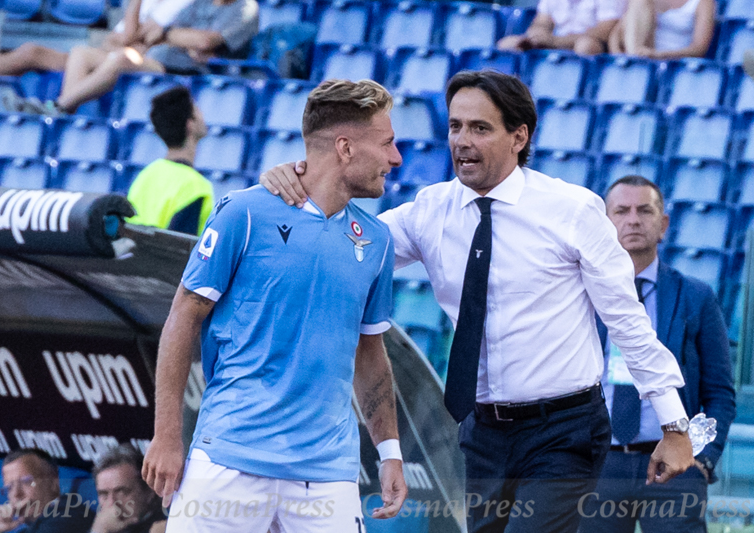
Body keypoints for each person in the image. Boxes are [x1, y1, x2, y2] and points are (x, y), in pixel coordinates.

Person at [260, 69, 694, 533]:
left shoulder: (572, 210)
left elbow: (627, 321)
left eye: (480, 128)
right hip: (481, 432)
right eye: (455, 126)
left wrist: (674, 424)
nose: (461, 141)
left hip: (565, 430)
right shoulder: (430, 210)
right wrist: (296, 186)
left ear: (518, 136)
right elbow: (348, 246)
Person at [141, 79, 407, 531]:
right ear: (344, 147)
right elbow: (182, 317)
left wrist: (390, 452)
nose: (395, 158)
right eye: (387, 143)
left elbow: (370, 351)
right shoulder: (243, 215)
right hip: (228, 459)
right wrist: (166, 436)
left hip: (327, 476)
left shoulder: (377, 241)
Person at [579, 176, 736, 532]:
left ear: (663, 225)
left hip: (675, 465)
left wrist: (703, 459)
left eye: (644, 211)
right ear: (605, 223)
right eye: (621, 211)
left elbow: (720, 393)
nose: (633, 219)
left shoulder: (696, 297)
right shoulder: (581, 295)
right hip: (598, 466)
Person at [10, 0, 258, 115]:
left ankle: (59, 107)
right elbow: (150, 34)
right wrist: (177, 37)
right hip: (159, 59)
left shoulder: (246, 8)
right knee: (81, 53)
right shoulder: (197, 4)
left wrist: (169, 34)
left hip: (188, 71)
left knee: (119, 58)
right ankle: (64, 109)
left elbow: (205, 42)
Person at [0, 0, 193, 81]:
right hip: (106, 56)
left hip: (138, 63)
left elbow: (133, 39)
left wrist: (130, 36)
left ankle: (60, 108)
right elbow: (116, 39)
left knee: (81, 53)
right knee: (30, 51)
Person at [126, 86, 213, 235]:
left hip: (135, 257)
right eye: (198, 111)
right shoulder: (196, 187)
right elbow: (181, 248)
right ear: (190, 124)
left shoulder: (145, 175)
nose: (203, 114)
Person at [0, 449, 95, 533]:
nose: (16, 494)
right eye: (9, 488)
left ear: (53, 483)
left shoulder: (70, 515)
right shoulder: (30, 528)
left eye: (26, 482)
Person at [496, 0, 626, 55]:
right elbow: (541, 22)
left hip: (595, 46)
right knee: (506, 44)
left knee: (586, 45)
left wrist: (554, 42)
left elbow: (605, 31)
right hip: (554, 42)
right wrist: (536, 36)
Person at [92, 444, 166, 533]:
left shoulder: (165, 526)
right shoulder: (100, 525)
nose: (112, 503)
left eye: (122, 492)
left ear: (149, 492)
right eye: (104, 494)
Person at [608, 0, 716, 59]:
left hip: (675, 63)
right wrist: (618, 56)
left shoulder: (704, 2)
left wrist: (658, 54)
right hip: (645, 54)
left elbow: (699, 49)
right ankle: (634, 61)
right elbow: (616, 36)